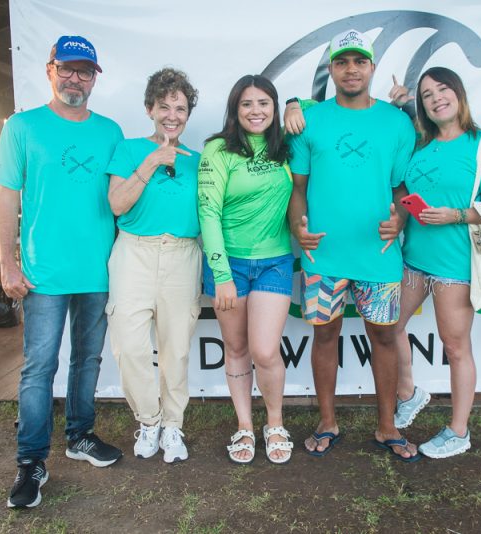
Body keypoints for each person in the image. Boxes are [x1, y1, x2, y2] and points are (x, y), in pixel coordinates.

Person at [0, 35, 124, 509]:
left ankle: (80, 435)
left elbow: (120, 199)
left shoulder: (109, 131)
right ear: (50, 70)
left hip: (97, 269)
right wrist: (7, 262)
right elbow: (6, 196)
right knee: (39, 369)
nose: (75, 79)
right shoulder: (23, 127)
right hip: (43, 273)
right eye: (67, 69)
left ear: (94, 78)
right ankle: (31, 462)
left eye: (84, 71)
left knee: (87, 361)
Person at [287, 29, 420, 461]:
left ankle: (387, 426)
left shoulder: (396, 122)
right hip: (322, 256)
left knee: (384, 338)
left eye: (359, 61)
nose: (350, 69)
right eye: (342, 62)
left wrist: (399, 219)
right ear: (332, 68)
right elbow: (298, 188)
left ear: (372, 68)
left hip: (378, 257)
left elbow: (401, 188)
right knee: (325, 337)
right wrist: (296, 228)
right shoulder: (310, 120)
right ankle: (327, 421)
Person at [390, 67, 481, 458]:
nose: (437, 98)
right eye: (427, 95)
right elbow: (403, 187)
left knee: (456, 348)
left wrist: (455, 215)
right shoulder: (419, 144)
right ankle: (409, 392)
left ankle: (459, 431)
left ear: (458, 93)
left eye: (443, 89)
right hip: (413, 259)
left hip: (456, 265)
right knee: (390, 326)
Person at [105, 68, 201, 464]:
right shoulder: (128, 150)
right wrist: (151, 162)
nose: (172, 115)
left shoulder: (199, 160)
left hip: (182, 254)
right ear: (150, 109)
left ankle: (173, 425)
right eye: (165, 106)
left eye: (180, 108)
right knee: (129, 346)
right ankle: (149, 420)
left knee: (176, 348)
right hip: (134, 252)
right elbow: (116, 205)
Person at [198, 75, 295, 464]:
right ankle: (244, 426)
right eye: (246, 104)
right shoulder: (218, 150)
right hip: (229, 265)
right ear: (235, 111)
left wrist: (296, 104)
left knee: (265, 349)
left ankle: (275, 423)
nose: (256, 111)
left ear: (274, 108)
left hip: (275, 260)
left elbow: (327, 112)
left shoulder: (287, 148)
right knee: (237, 349)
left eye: (264, 103)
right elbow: (208, 212)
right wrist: (220, 274)